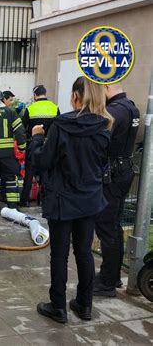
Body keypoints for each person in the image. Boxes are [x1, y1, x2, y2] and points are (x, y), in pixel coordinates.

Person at [34, 76, 113, 324]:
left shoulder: (61, 125)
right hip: (89, 200)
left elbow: (43, 162)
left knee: (59, 254)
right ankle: (84, 304)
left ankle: (58, 306)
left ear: (75, 96)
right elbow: (101, 164)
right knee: (84, 252)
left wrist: (37, 138)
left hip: (62, 199)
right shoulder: (105, 126)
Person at [94, 83, 140, 297]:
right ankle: (111, 276)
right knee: (115, 225)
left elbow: (100, 143)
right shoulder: (131, 107)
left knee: (107, 226)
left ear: (106, 87)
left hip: (112, 176)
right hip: (124, 171)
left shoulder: (113, 112)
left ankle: (107, 282)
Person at [20, 85, 59, 207]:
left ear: (35, 95)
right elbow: (59, 126)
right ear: (45, 93)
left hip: (33, 144)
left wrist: (28, 139)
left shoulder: (30, 108)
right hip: (49, 145)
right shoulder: (54, 107)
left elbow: (22, 127)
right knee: (46, 173)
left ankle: (24, 200)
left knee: (29, 173)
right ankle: (45, 200)